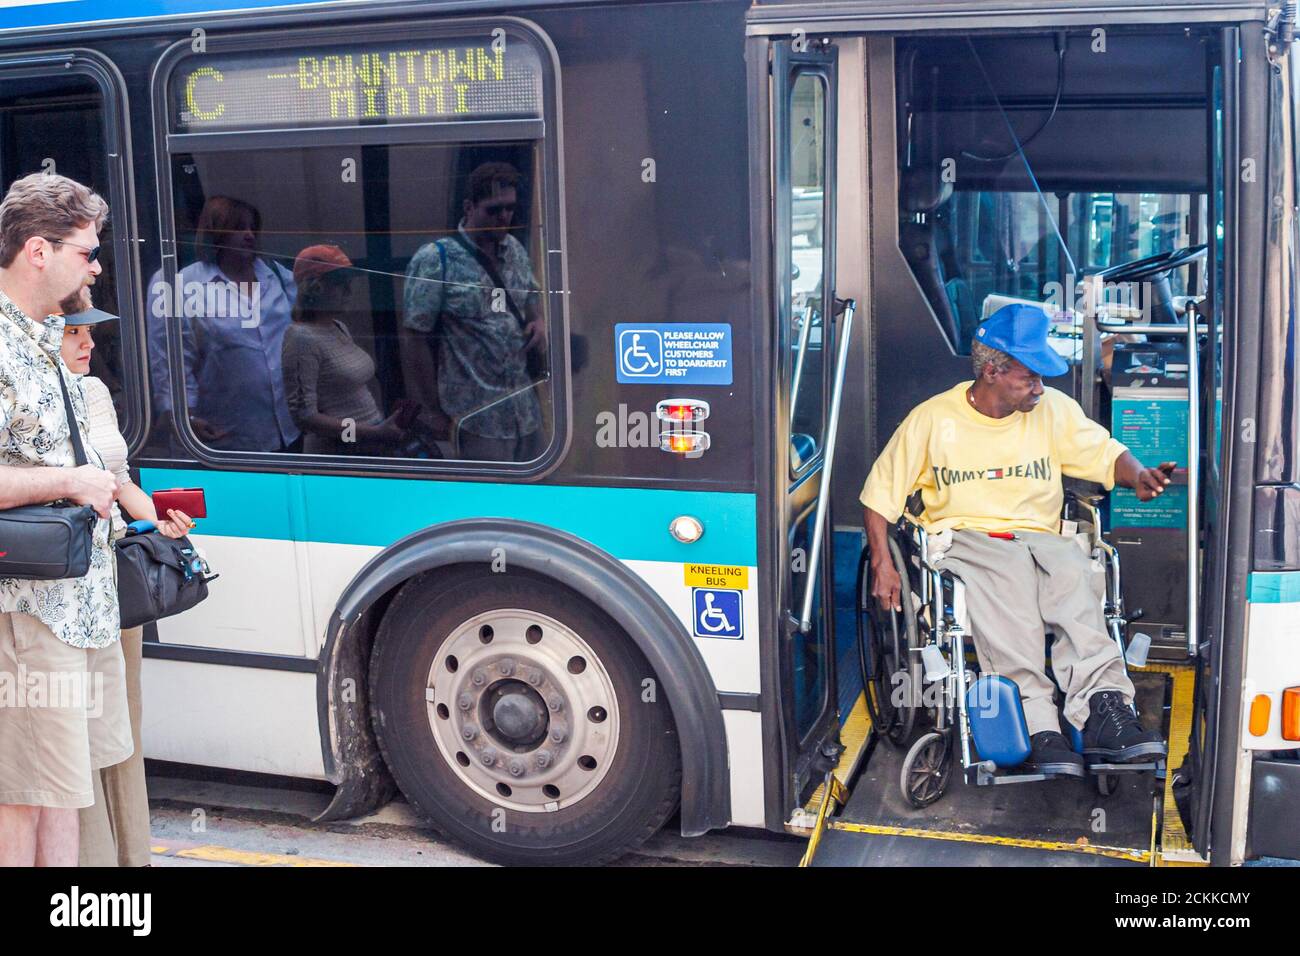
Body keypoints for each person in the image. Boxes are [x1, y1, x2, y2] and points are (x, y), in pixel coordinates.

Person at [860, 303, 1172, 777]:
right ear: (992, 371)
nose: (1040, 388)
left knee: (1076, 581)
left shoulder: (1053, 411)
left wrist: (1139, 475)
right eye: (1030, 377)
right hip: (971, 537)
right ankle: (1037, 726)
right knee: (1010, 592)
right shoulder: (931, 421)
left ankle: (1105, 710)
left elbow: (1105, 453)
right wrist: (883, 564)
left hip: (1043, 536)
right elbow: (879, 496)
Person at [0, 173, 128, 867]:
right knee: (22, 790)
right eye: (87, 251)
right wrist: (71, 481)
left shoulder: (42, 334)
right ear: (38, 252)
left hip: (75, 601)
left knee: (63, 788)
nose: (97, 265)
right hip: (28, 612)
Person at [60, 305, 193, 867]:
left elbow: (120, 482)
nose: (88, 344)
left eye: (90, 333)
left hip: (115, 578)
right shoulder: (25, 394)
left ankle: (129, 861)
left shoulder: (93, 392)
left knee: (124, 725)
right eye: (74, 333)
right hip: (65, 581)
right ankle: (91, 864)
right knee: (80, 732)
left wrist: (164, 523)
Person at [403, 162, 547, 462]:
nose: (503, 218)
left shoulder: (514, 250)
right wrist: (432, 410)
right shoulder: (436, 260)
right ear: (469, 208)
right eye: (493, 210)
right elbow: (415, 339)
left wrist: (538, 321)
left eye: (509, 209)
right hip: (476, 416)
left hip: (525, 409)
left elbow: (529, 297)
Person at [147, 196, 299, 452]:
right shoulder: (181, 284)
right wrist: (185, 418)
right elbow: (170, 361)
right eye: (239, 228)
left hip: (287, 431)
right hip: (222, 436)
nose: (249, 235)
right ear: (216, 233)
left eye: (252, 228)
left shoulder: (277, 276)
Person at [281, 245, 406, 456]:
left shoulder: (338, 327)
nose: (349, 290)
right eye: (340, 283)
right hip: (337, 454)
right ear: (315, 288)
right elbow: (305, 417)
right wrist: (371, 432)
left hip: (367, 443)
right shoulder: (301, 338)